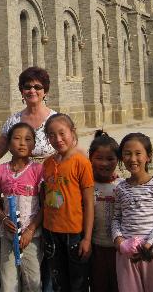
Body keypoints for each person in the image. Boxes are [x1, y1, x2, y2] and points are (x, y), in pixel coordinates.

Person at [111, 133, 153, 292]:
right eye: (127, 153)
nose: (132, 159)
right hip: (127, 256)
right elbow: (116, 219)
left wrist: (149, 243)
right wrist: (119, 241)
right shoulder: (120, 188)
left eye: (138, 153)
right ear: (121, 158)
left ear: (148, 157)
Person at [43, 113, 94, 292]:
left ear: (72, 132)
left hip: (74, 233)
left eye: (62, 133)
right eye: (51, 135)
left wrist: (87, 238)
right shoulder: (48, 163)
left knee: (78, 283)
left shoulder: (81, 163)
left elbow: (88, 203)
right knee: (59, 282)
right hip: (50, 232)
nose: (57, 139)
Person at [0, 122, 44, 292]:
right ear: (8, 144)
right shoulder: (0, 171)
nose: (22, 143)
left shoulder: (38, 170)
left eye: (28, 139)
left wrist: (30, 230)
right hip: (8, 236)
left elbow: (45, 206)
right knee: (8, 283)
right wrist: (4, 219)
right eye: (17, 138)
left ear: (34, 145)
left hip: (31, 238)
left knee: (32, 282)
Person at [0, 67, 56, 164]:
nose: (32, 90)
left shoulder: (55, 120)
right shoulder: (13, 121)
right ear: (22, 91)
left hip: (48, 175)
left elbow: (69, 149)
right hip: (19, 175)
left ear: (45, 92)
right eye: (27, 87)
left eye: (37, 87)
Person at [89, 130, 122, 292]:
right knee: (98, 285)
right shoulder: (87, 186)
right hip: (95, 247)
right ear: (90, 159)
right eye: (99, 158)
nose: (104, 163)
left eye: (110, 159)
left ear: (118, 160)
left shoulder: (122, 186)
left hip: (119, 249)